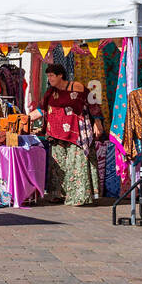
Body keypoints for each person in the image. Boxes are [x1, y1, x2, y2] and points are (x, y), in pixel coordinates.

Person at [30, 63, 103, 205]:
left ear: (60, 75)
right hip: (56, 135)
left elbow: (93, 103)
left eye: (51, 75)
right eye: (48, 76)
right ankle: (59, 194)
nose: (49, 78)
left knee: (77, 164)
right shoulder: (50, 92)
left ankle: (80, 197)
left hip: (76, 133)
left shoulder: (77, 87)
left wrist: (98, 122)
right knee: (59, 166)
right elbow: (41, 110)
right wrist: (24, 118)